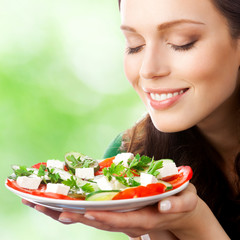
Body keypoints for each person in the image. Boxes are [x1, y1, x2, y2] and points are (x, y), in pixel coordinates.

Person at [22, 0, 240, 239]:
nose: (148, 69)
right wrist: (157, 227)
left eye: (181, 42)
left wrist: (194, 223)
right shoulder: (128, 161)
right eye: (135, 45)